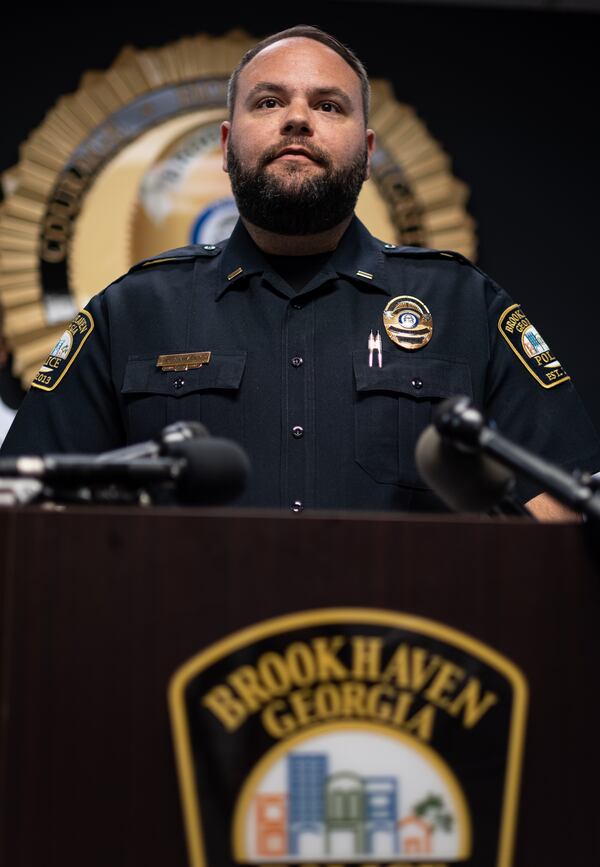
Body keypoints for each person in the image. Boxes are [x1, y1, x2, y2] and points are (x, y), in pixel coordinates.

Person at [1, 25, 599, 519]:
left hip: (404, 655)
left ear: (367, 151)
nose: (296, 120)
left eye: (327, 105)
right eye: (268, 102)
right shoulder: (130, 311)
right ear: (228, 144)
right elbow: (27, 512)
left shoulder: (464, 304)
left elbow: (571, 498)